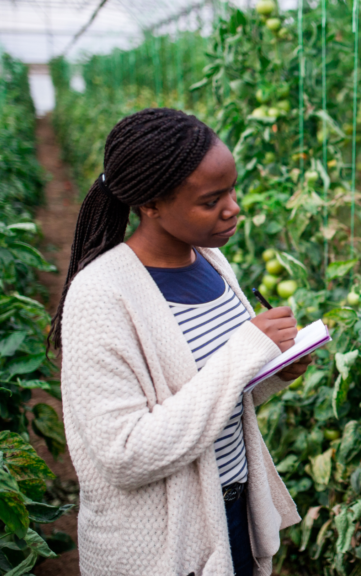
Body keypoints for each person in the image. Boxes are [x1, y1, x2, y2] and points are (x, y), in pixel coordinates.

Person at [50, 108, 311, 576]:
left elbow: (216, 396)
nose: (233, 208)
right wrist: (245, 352)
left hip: (231, 506)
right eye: (211, 200)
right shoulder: (102, 294)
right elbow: (126, 454)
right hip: (161, 542)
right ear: (150, 204)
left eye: (232, 190)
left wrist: (273, 371)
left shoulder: (212, 262)